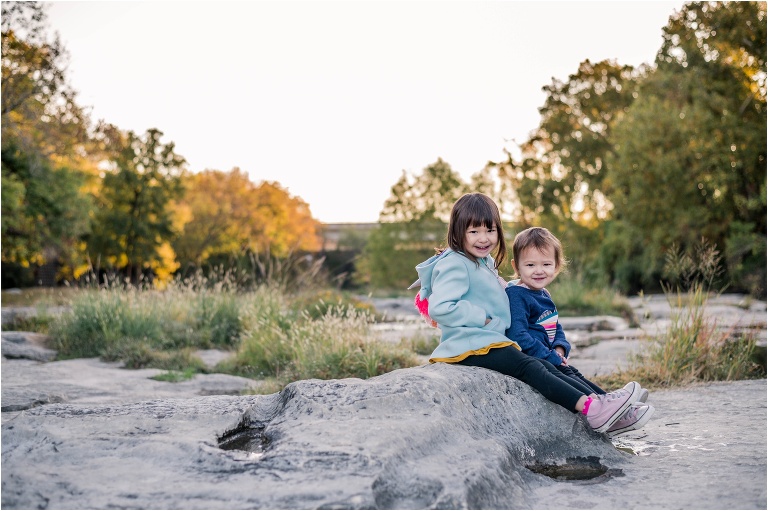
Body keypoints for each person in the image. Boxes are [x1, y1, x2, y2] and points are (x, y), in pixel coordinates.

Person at [410, 192, 641, 434]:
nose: (484, 238)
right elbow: (441, 307)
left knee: (547, 366)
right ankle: (591, 409)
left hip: (487, 341)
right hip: (467, 345)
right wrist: (483, 318)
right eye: (474, 231)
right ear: (458, 232)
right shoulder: (455, 263)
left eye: (490, 230)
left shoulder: (482, 262)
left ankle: (609, 411)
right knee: (530, 368)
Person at [506, 226, 654, 437]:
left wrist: (559, 347)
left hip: (548, 355)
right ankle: (606, 407)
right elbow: (519, 336)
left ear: (556, 266)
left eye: (546, 264)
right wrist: (550, 356)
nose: (539, 271)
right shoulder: (516, 295)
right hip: (533, 358)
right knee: (567, 375)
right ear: (516, 266)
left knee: (574, 373)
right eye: (530, 265)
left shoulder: (543, 293)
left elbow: (554, 325)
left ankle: (614, 408)